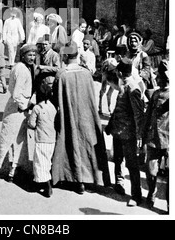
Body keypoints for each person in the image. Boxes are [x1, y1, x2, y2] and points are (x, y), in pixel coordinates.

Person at [51, 42, 111, 194]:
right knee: (87, 145)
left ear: (65, 55)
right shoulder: (86, 73)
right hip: (87, 115)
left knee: (69, 143)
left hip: (69, 114)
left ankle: (74, 178)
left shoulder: (62, 74)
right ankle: (92, 178)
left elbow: (55, 97)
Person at [105, 57, 145, 207]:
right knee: (118, 159)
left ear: (121, 73)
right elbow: (117, 108)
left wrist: (139, 135)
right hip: (118, 131)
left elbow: (138, 114)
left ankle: (136, 195)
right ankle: (119, 183)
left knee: (131, 164)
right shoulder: (124, 85)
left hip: (128, 134)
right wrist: (110, 125)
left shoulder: (133, 89)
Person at [0, 44, 37, 182]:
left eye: (33, 55)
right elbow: (16, 94)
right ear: (23, 55)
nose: (32, 57)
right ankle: (13, 170)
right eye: (29, 55)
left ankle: (16, 167)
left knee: (18, 139)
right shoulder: (21, 70)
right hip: (17, 108)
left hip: (17, 107)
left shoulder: (21, 67)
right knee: (15, 139)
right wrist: (25, 106)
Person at [143, 59, 169, 211]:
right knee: (151, 171)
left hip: (170, 140)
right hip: (154, 138)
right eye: (158, 76)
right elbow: (148, 115)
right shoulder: (155, 94)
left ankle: (170, 205)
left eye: (161, 77)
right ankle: (151, 192)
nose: (158, 79)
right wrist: (143, 134)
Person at [28, 80, 57, 198]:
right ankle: (41, 181)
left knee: (40, 163)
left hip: (41, 139)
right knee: (47, 162)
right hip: (52, 139)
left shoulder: (37, 108)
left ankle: (46, 184)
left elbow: (32, 124)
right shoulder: (54, 108)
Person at [35, 34, 61, 104]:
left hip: (50, 82)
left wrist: (44, 67)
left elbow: (58, 68)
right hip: (42, 82)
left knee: (50, 103)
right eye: (43, 44)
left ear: (50, 44)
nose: (44, 46)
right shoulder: (42, 54)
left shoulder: (54, 55)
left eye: (46, 44)